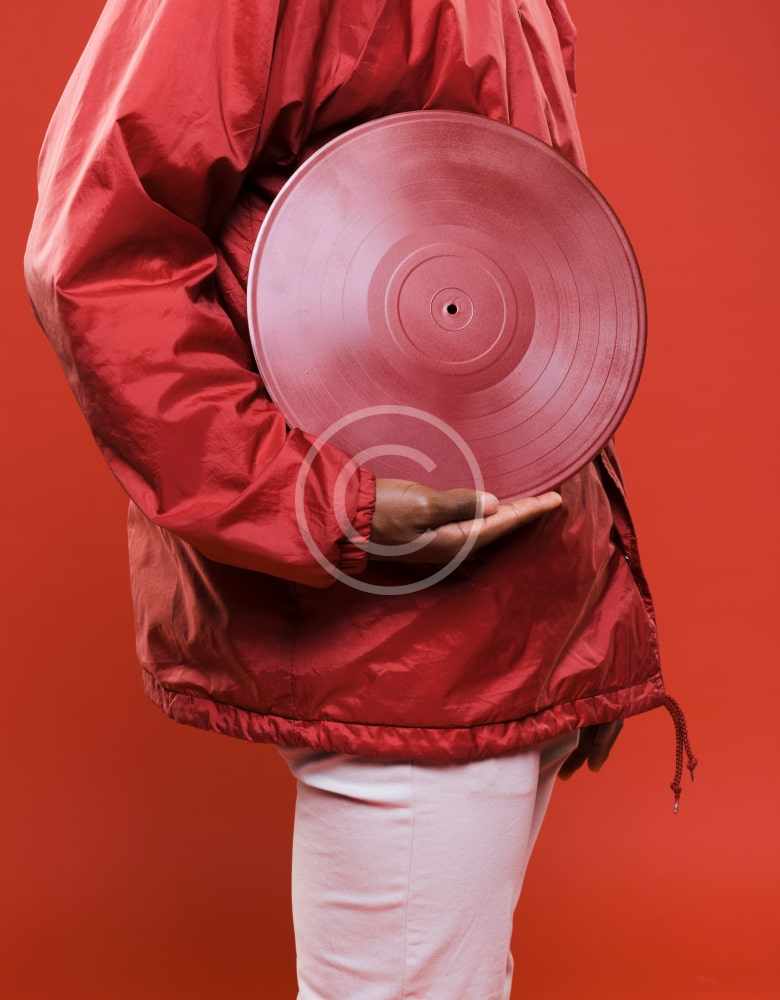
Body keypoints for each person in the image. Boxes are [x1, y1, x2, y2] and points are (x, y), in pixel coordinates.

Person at [23, 1, 698, 997]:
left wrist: (585, 628)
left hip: (511, 618)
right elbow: (99, 261)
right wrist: (325, 503)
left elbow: (512, 296)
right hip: (402, 633)